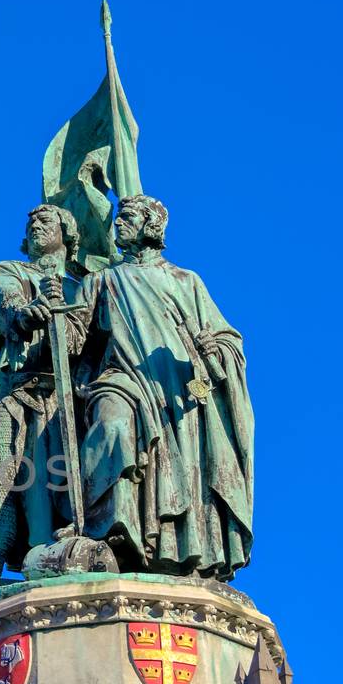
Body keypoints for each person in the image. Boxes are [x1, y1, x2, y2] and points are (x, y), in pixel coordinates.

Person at [74, 195, 253, 578]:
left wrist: (216, 349)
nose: (118, 224)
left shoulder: (187, 281)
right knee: (113, 425)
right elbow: (76, 340)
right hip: (121, 379)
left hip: (177, 390)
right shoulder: (101, 281)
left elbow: (228, 339)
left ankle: (174, 545)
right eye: (117, 218)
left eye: (127, 217)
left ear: (151, 227)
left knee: (181, 472)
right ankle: (110, 526)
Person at [0, 204, 86, 612]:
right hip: (16, 393)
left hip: (68, 405)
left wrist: (65, 322)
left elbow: (82, 341)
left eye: (47, 221)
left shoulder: (83, 287)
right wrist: (28, 315)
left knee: (60, 489)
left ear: (68, 233)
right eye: (31, 223)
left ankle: (59, 557)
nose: (36, 225)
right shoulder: (7, 270)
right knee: (5, 484)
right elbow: (9, 309)